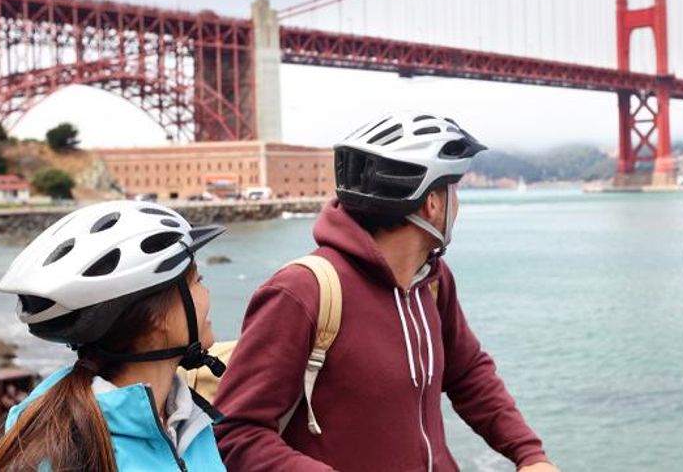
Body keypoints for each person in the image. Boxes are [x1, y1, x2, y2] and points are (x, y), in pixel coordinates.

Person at [214, 112, 559, 471]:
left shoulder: (433, 281)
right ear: (433, 203)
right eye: (452, 191)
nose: (457, 205)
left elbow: (468, 373)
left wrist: (528, 454)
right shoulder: (302, 292)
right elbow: (237, 433)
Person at [0, 200, 229, 471]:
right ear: (158, 317)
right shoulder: (64, 454)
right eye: (198, 282)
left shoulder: (186, 419)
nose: (207, 293)